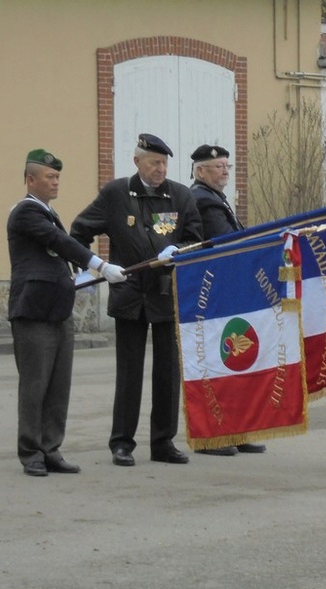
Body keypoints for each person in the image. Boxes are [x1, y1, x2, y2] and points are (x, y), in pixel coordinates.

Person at [71, 134, 202, 466]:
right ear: (137, 162)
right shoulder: (116, 194)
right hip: (129, 296)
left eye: (164, 163)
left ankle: (163, 441)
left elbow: (196, 240)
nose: (160, 169)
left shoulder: (180, 195)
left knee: (167, 373)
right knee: (129, 373)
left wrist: (180, 252)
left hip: (165, 296)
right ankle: (122, 442)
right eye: (154, 162)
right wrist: (91, 267)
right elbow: (79, 231)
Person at [8, 149, 127, 476]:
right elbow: (58, 242)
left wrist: (82, 275)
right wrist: (99, 263)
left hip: (58, 309)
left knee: (59, 385)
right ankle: (31, 451)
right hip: (32, 311)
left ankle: (51, 448)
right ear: (30, 180)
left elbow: (57, 252)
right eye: (50, 177)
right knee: (35, 386)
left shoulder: (47, 211)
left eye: (58, 176)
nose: (56, 181)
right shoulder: (26, 212)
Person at [189, 143, 266, 456]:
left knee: (233, 363)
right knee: (214, 366)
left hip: (227, 293)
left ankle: (234, 430)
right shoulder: (203, 201)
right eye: (218, 166)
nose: (224, 172)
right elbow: (227, 243)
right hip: (214, 296)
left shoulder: (216, 199)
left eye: (226, 166)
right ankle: (212, 435)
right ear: (200, 171)